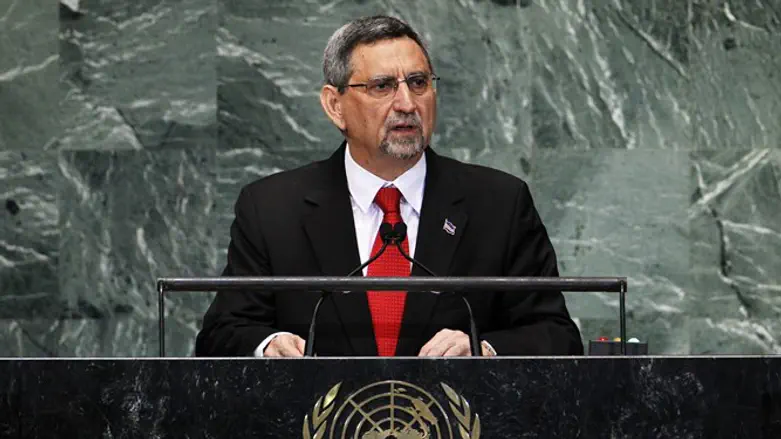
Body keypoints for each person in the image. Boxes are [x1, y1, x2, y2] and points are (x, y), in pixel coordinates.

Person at [195, 15, 583, 357]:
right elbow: (222, 334)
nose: (407, 103)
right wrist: (268, 345)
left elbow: (556, 335)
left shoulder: (498, 204)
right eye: (382, 86)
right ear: (334, 106)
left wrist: (484, 349)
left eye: (418, 82)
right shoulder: (272, 208)